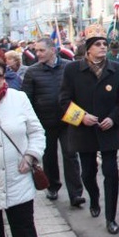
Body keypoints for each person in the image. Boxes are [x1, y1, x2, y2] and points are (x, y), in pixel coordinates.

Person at [59, 24, 119, 235]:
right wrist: (81, 117)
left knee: (111, 174)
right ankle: (94, 198)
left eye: (105, 44)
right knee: (88, 173)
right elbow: (63, 101)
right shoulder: (72, 70)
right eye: (97, 44)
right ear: (87, 49)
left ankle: (111, 218)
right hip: (84, 132)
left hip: (108, 131)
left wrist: (114, 119)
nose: (103, 47)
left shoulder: (117, 70)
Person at [0, 50, 47, 237]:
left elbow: (36, 132)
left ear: (5, 75)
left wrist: (31, 154)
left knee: (24, 227)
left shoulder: (18, 98)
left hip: (18, 174)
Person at [22, 37, 84, 207]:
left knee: (71, 156)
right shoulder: (32, 72)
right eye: (36, 50)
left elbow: (78, 93)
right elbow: (26, 100)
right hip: (44, 123)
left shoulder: (68, 67)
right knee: (49, 157)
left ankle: (76, 194)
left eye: (41, 50)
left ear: (52, 50)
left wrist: (79, 119)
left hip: (67, 122)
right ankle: (52, 186)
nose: (38, 53)